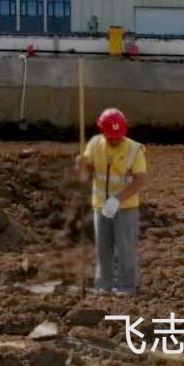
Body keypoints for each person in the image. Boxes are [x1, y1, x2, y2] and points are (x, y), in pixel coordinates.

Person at [76, 107, 148, 295]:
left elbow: (140, 180)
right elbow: (86, 171)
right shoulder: (94, 145)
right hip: (100, 206)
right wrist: (81, 164)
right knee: (103, 250)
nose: (115, 140)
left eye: (119, 136)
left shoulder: (134, 149)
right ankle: (103, 285)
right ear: (103, 132)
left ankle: (127, 286)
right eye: (111, 137)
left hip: (125, 207)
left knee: (125, 249)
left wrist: (117, 200)